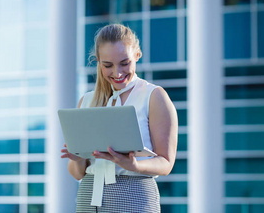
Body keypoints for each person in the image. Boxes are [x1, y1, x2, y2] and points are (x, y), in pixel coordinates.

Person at [61, 23, 178, 213]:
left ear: (137, 55)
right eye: (108, 65)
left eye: (125, 63)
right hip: (88, 198)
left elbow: (166, 163)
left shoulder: (154, 97)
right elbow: (77, 173)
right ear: (98, 62)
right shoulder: (87, 100)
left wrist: (134, 165)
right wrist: (77, 158)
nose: (118, 72)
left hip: (134, 198)